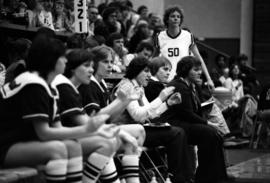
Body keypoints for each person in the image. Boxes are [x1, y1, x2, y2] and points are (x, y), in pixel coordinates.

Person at [0, 35, 103, 182]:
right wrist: (86, 130)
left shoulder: (48, 85)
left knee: (72, 145)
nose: (66, 61)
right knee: (57, 149)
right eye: (62, 56)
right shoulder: (33, 83)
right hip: (5, 146)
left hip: (18, 143)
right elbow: (44, 134)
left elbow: (57, 129)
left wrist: (98, 130)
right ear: (51, 59)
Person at [52, 48, 145, 183]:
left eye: (111, 62)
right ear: (71, 67)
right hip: (52, 143)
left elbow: (101, 121)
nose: (91, 69)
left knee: (115, 138)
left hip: (65, 138)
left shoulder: (76, 87)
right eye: (86, 66)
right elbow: (92, 122)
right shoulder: (70, 86)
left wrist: (125, 101)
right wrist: (121, 103)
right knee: (107, 141)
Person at [114, 56, 193, 183]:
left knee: (180, 131)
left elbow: (149, 114)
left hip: (139, 129)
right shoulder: (127, 86)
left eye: (150, 71)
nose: (149, 75)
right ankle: (177, 178)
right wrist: (160, 98)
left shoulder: (139, 86)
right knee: (177, 133)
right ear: (136, 71)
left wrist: (167, 104)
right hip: (128, 132)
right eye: (146, 71)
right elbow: (138, 115)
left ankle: (184, 177)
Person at [161, 56, 228, 183]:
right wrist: (208, 123)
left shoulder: (192, 85)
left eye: (200, 69)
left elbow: (195, 108)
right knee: (209, 132)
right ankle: (206, 177)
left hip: (187, 122)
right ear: (186, 70)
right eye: (196, 70)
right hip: (176, 124)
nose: (200, 72)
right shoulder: (177, 86)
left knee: (215, 134)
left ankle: (217, 176)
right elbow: (186, 113)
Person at [155, 6, 214, 90]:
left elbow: (198, 58)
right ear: (167, 19)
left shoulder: (187, 35)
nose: (176, 18)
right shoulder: (159, 36)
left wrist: (209, 79)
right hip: (165, 82)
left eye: (178, 17)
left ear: (181, 20)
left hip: (184, 81)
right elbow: (154, 61)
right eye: (172, 16)